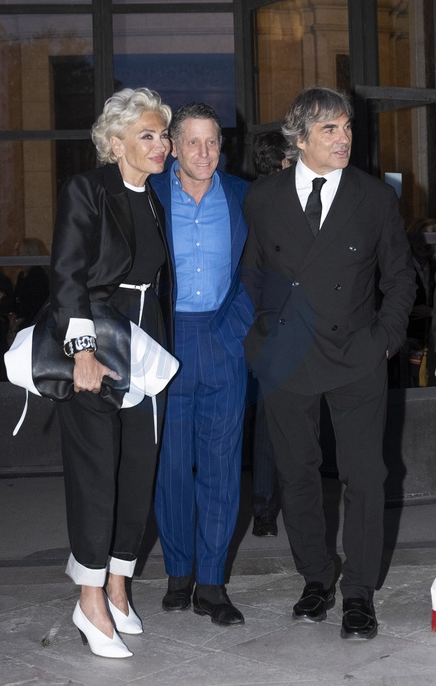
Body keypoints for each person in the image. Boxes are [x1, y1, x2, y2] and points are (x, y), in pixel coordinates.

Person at [242, 86, 416, 640]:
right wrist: (260, 340)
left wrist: (384, 340)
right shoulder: (263, 197)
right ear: (300, 139)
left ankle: (359, 592)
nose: (345, 139)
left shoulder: (374, 197)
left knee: (365, 475)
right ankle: (316, 578)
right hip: (287, 354)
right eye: (330, 130)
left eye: (347, 127)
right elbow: (252, 273)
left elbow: (401, 277)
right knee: (296, 473)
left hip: (356, 353)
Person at [49, 87, 174, 658]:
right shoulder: (88, 189)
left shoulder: (153, 198)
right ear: (115, 142)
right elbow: (68, 273)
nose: (160, 145)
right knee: (96, 475)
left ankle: (119, 587)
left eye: (162, 135)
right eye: (147, 135)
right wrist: (81, 352)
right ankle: (90, 598)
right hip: (97, 343)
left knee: (137, 471)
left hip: (146, 347)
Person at [150, 102, 253, 626]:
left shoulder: (243, 196)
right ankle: (179, 572)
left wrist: (236, 329)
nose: (204, 152)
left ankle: (211, 583)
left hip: (222, 339)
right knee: (170, 469)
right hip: (165, 342)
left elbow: (263, 269)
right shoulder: (148, 194)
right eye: (192, 141)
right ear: (173, 146)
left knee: (220, 468)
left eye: (212, 141)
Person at [250, 131, 292, 537]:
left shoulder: (245, 200)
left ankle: (264, 509)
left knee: (265, 418)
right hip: (282, 323)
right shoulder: (284, 202)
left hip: (256, 322)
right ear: (284, 162)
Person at [404, 218, 436, 387]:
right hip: (407, 342)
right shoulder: (401, 268)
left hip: (431, 343)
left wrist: (431, 312)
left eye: (430, 238)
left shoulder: (434, 267)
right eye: (421, 237)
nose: (424, 244)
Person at [8, 237, 50, 345]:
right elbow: (16, 299)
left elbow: (35, 304)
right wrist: (13, 314)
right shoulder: (22, 275)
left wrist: (19, 320)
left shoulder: (38, 275)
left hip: (33, 325)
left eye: (18, 252)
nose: (15, 255)